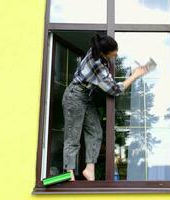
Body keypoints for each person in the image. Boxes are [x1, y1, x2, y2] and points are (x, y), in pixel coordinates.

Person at [62, 34, 148, 181]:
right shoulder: (97, 64)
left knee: (96, 132)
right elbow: (114, 90)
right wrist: (135, 75)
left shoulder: (97, 51)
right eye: (114, 52)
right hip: (74, 96)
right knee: (73, 136)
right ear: (103, 53)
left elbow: (107, 78)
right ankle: (68, 172)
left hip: (86, 97)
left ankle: (90, 169)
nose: (117, 54)